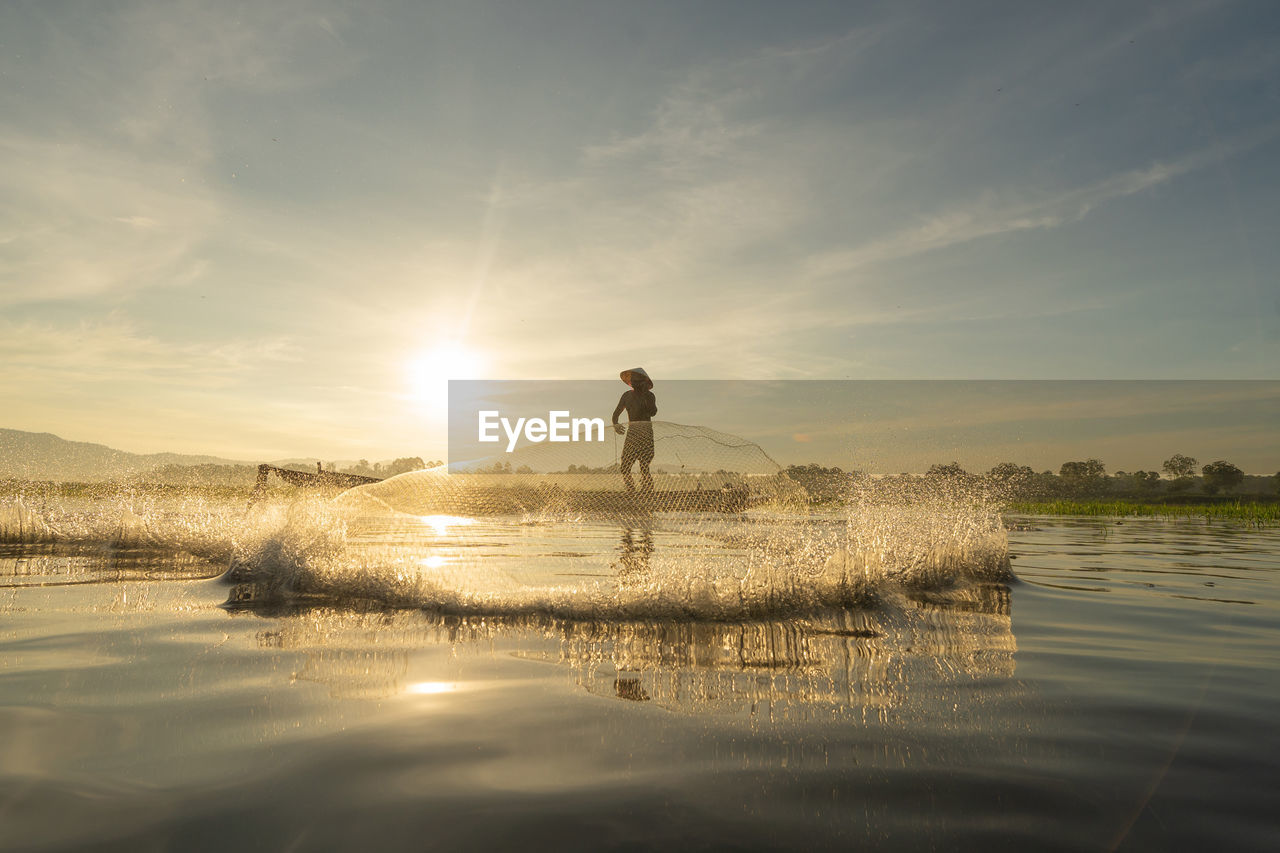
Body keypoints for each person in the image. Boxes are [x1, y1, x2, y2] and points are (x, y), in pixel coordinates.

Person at [612, 367, 657, 493]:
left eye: (638, 381)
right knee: (625, 466)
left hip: (646, 433)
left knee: (644, 465)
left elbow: (653, 412)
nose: (635, 383)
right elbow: (616, 414)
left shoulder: (650, 396)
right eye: (633, 381)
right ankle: (631, 490)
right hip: (632, 433)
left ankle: (647, 489)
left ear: (644, 383)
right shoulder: (626, 396)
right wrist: (615, 424)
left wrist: (645, 398)